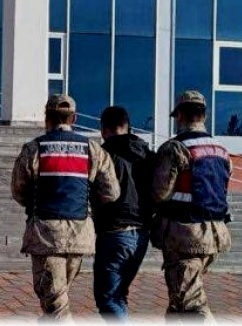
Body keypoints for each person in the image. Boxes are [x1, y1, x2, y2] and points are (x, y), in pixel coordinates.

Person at [11, 95, 120, 319]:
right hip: (79, 234)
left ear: (47, 117)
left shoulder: (34, 149)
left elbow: (18, 191)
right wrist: (86, 202)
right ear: (74, 118)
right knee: (57, 299)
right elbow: (111, 192)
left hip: (46, 235)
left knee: (55, 305)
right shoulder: (92, 149)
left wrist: (36, 201)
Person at [151, 90, 233, 321]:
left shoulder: (175, 148)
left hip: (184, 234)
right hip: (215, 234)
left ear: (179, 116)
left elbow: (159, 193)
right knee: (180, 298)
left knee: (191, 303)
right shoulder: (222, 150)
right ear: (204, 116)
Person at [92, 105, 157, 321]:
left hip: (114, 232)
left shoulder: (104, 156)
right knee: (118, 295)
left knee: (107, 299)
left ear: (104, 130)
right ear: (128, 127)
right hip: (141, 235)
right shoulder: (148, 155)